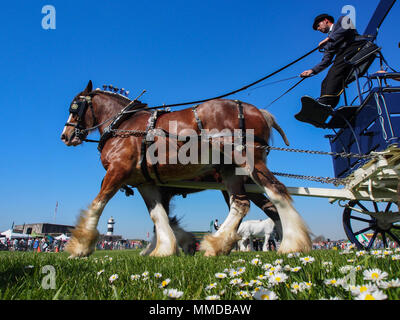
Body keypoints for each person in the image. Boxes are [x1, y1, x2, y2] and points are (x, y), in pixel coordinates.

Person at [300, 13, 367, 110]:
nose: (318, 29)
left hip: (355, 47)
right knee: (326, 81)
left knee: (334, 74)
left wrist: (329, 39)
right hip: (343, 57)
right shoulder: (328, 44)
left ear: (326, 21)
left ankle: (324, 104)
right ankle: (326, 106)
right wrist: (312, 71)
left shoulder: (342, 20)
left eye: (318, 25)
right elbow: (326, 60)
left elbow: (347, 27)